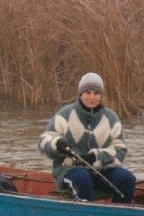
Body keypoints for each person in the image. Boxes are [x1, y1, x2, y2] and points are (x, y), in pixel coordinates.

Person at [38, 72, 136, 203]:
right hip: (69, 170)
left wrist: (97, 157)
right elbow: (43, 140)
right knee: (82, 179)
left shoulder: (111, 118)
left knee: (127, 179)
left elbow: (120, 150)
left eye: (96, 93)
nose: (92, 97)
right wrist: (56, 143)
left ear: (101, 96)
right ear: (80, 94)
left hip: (102, 171)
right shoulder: (65, 114)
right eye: (87, 93)